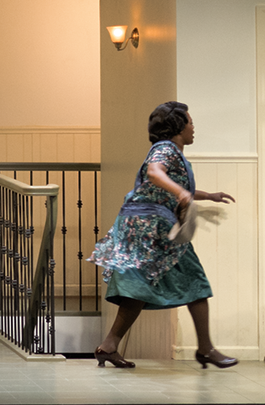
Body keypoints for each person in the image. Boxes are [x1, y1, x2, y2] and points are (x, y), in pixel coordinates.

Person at [88, 101, 239, 369]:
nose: (194, 127)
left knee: (138, 289)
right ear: (178, 126)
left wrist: (206, 195)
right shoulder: (165, 149)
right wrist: (182, 194)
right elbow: (154, 173)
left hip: (139, 225)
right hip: (151, 229)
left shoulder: (169, 151)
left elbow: (165, 185)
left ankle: (109, 346)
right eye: (190, 122)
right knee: (196, 282)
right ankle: (205, 349)